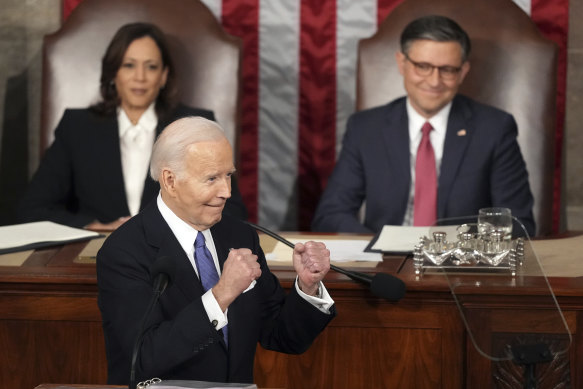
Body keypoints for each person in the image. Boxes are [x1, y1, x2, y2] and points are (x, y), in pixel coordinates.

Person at [97, 116, 336, 385]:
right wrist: (221, 295)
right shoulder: (124, 251)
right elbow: (143, 358)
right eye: (211, 178)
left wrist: (307, 287)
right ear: (170, 180)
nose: (227, 191)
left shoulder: (239, 235)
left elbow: (281, 336)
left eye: (228, 175)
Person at [312, 15, 535, 236]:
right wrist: (378, 247)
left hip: (461, 265)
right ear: (402, 63)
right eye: (423, 66)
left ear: (463, 72)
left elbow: (517, 224)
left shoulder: (495, 129)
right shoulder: (366, 128)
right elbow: (331, 215)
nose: (434, 81)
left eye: (447, 70)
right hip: (382, 262)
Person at [17, 22, 247, 230]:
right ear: (113, 73)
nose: (140, 77)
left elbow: (233, 211)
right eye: (129, 65)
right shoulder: (76, 127)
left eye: (151, 67)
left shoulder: (194, 127)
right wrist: (94, 226)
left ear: (164, 76)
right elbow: (32, 210)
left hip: (176, 255)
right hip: (96, 254)